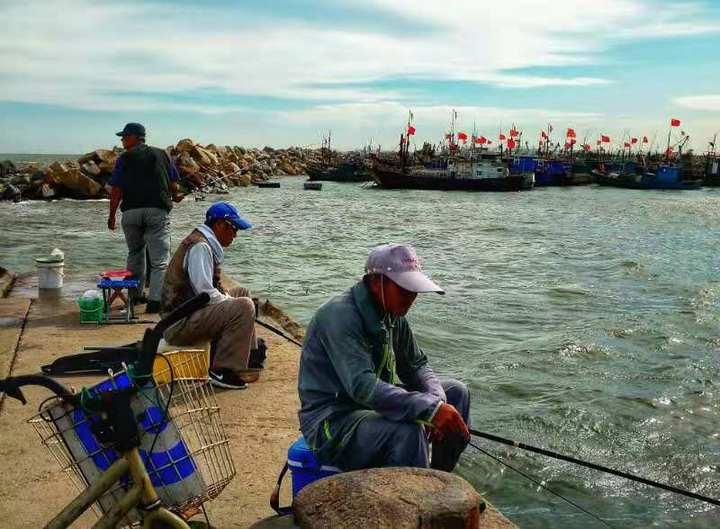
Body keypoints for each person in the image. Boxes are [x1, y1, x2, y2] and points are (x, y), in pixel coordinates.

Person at [298, 243, 471, 472]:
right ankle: (419, 498)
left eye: (414, 291)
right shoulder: (340, 315)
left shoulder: (393, 315)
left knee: (457, 393)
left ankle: (439, 479)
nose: (411, 298)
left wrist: (438, 401)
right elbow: (362, 386)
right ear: (376, 283)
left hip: (369, 408)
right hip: (333, 422)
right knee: (407, 431)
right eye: (404, 290)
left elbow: (416, 364)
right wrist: (430, 410)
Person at [160, 202, 259, 390]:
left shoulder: (202, 242)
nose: (235, 235)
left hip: (187, 315)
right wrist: (232, 303)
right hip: (178, 324)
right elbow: (205, 294)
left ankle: (249, 356)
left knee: (243, 293)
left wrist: (232, 299)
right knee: (243, 305)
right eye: (234, 229)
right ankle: (225, 371)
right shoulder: (200, 247)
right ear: (220, 225)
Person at [107, 122, 183, 313]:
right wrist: (176, 196)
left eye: (124, 136)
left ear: (135, 137)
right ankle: (155, 302)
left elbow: (116, 189)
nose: (122, 140)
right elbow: (174, 185)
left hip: (131, 213)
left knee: (135, 254)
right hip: (157, 211)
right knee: (159, 261)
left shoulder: (124, 158)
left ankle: (135, 297)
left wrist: (112, 215)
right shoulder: (163, 155)